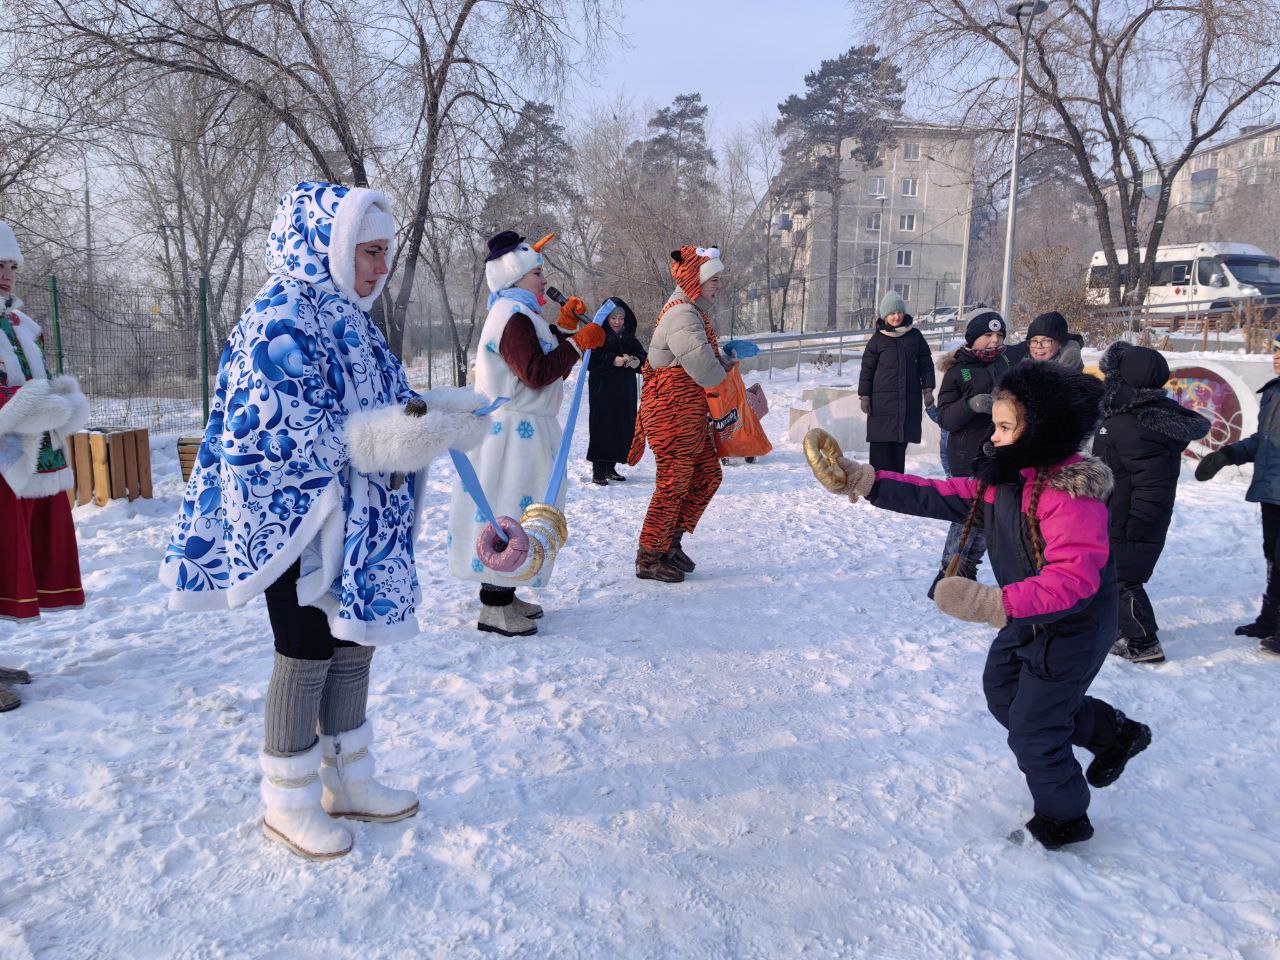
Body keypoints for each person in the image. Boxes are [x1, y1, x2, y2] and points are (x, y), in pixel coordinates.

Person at [161, 182, 489, 860]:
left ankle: (348, 779)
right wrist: (388, 439)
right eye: (369, 252)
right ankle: (288, 802)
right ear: (328, 244)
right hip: (298, 523)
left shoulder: (349, 317)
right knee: (305, 648)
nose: (379, 268)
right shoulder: (278, 315)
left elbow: (390, 404)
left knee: (352, 643)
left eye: (384, 254)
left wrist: (441, 415)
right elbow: (274, 432)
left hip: (355, 519)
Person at [823, 362, 1152, 849]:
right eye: (994, 426)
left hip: (1072, 629)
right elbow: (943, 493)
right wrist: (867, 482)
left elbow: (1072, 580)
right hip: (1027, 618)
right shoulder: (1006, 480)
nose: (993, 437)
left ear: (1041, 431)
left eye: (1004, 427)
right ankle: (1112, 734)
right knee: (1003, 693)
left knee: (1034, 731)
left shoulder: (1070, 496)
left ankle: (1066, 817)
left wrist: (989, 602)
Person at [447, 231, 604, 636]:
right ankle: (494, 606)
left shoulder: (518, 313)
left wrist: (567, 329)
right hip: (513, 437)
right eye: (537, 272)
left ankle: (509, 590)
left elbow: (538, 358)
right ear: (514, 276)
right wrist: (577, 345)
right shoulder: (511, 318)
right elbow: (535, 374)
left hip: (525, 431)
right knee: (508, 510)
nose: (543, 280)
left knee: (520, 509)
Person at [0, 220, 89, 712]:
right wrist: (39, 404)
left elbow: (36, 383)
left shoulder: (19, 325)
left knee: (9, 557)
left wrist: (61, 402)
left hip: (23, 461)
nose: (7, 274)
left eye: (11, 264)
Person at [1094, 342, 1209, 664]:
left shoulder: (1129, 424)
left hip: (1129, 518)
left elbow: (1144, 483)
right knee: (1114, 576)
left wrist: (1137, 523)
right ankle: (1121, 629)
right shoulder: (1145, 418)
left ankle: (1144, 643)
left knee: (1123, 579)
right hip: (1129, 515)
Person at [628, 246, 733, 583]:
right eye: (711, 277)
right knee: (673, 483)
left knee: (707, 475)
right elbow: (702, 367)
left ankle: (669, 542)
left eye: (718, 277)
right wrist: (726, 379)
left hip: (688, 413)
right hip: (670, 413)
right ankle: (649, 556)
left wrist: (724, 364)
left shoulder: (693, 312)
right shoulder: (681, 314)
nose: (717, 283)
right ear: (693, 278)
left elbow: (700, 360)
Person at [1195, 334, 1280, 654]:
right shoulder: (1274, 392)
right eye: (1275, 350)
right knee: (1272, 555)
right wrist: (1228, 455)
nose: (1276, 357)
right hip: (1272, 490)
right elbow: (1266, 440)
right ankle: (1270, 618)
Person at [928, 309, 1014, 597]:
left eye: (999, 335)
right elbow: (946, 419)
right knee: (968, 515)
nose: (993, 340)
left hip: (998, 451)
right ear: (973, 338)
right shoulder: (958, 371)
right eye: (987, 335)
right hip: (966, 456)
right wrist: (971, 405)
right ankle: (949, 573)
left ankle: (963, 570)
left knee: (986, 515)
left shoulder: (1004, 363)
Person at [858, 291, 935, 474]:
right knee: (881, 449)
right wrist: (864, 396)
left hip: (907, 402)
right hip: (882, 404)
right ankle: (877, 487)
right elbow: (867, 370)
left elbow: (926, 363)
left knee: (900, 446)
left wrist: (928, 389)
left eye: (899, 312)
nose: (896, 316)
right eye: (892, 313)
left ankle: (897, 488)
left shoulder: (914, 336)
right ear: (885, 316)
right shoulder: (877, 340)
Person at [586, 298, 646, 484]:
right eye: (614, 318)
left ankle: (611, 468)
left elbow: (643, 357)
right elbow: (589, 359)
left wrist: (637, 361)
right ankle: (598, 471)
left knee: (621, 427)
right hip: (602, 390)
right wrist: (612, 360)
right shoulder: (597, 335)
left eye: (621, 317)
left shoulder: (629, 337)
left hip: (625, 391)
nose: (618, 322)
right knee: (602, 427)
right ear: (606, 318)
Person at [1011, 311, 1085, 371]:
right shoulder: (1020, 367)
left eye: (1046, 341)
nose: (1038, 346)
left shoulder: (1072, 379)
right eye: (1034, 341)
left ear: (1060, 344)